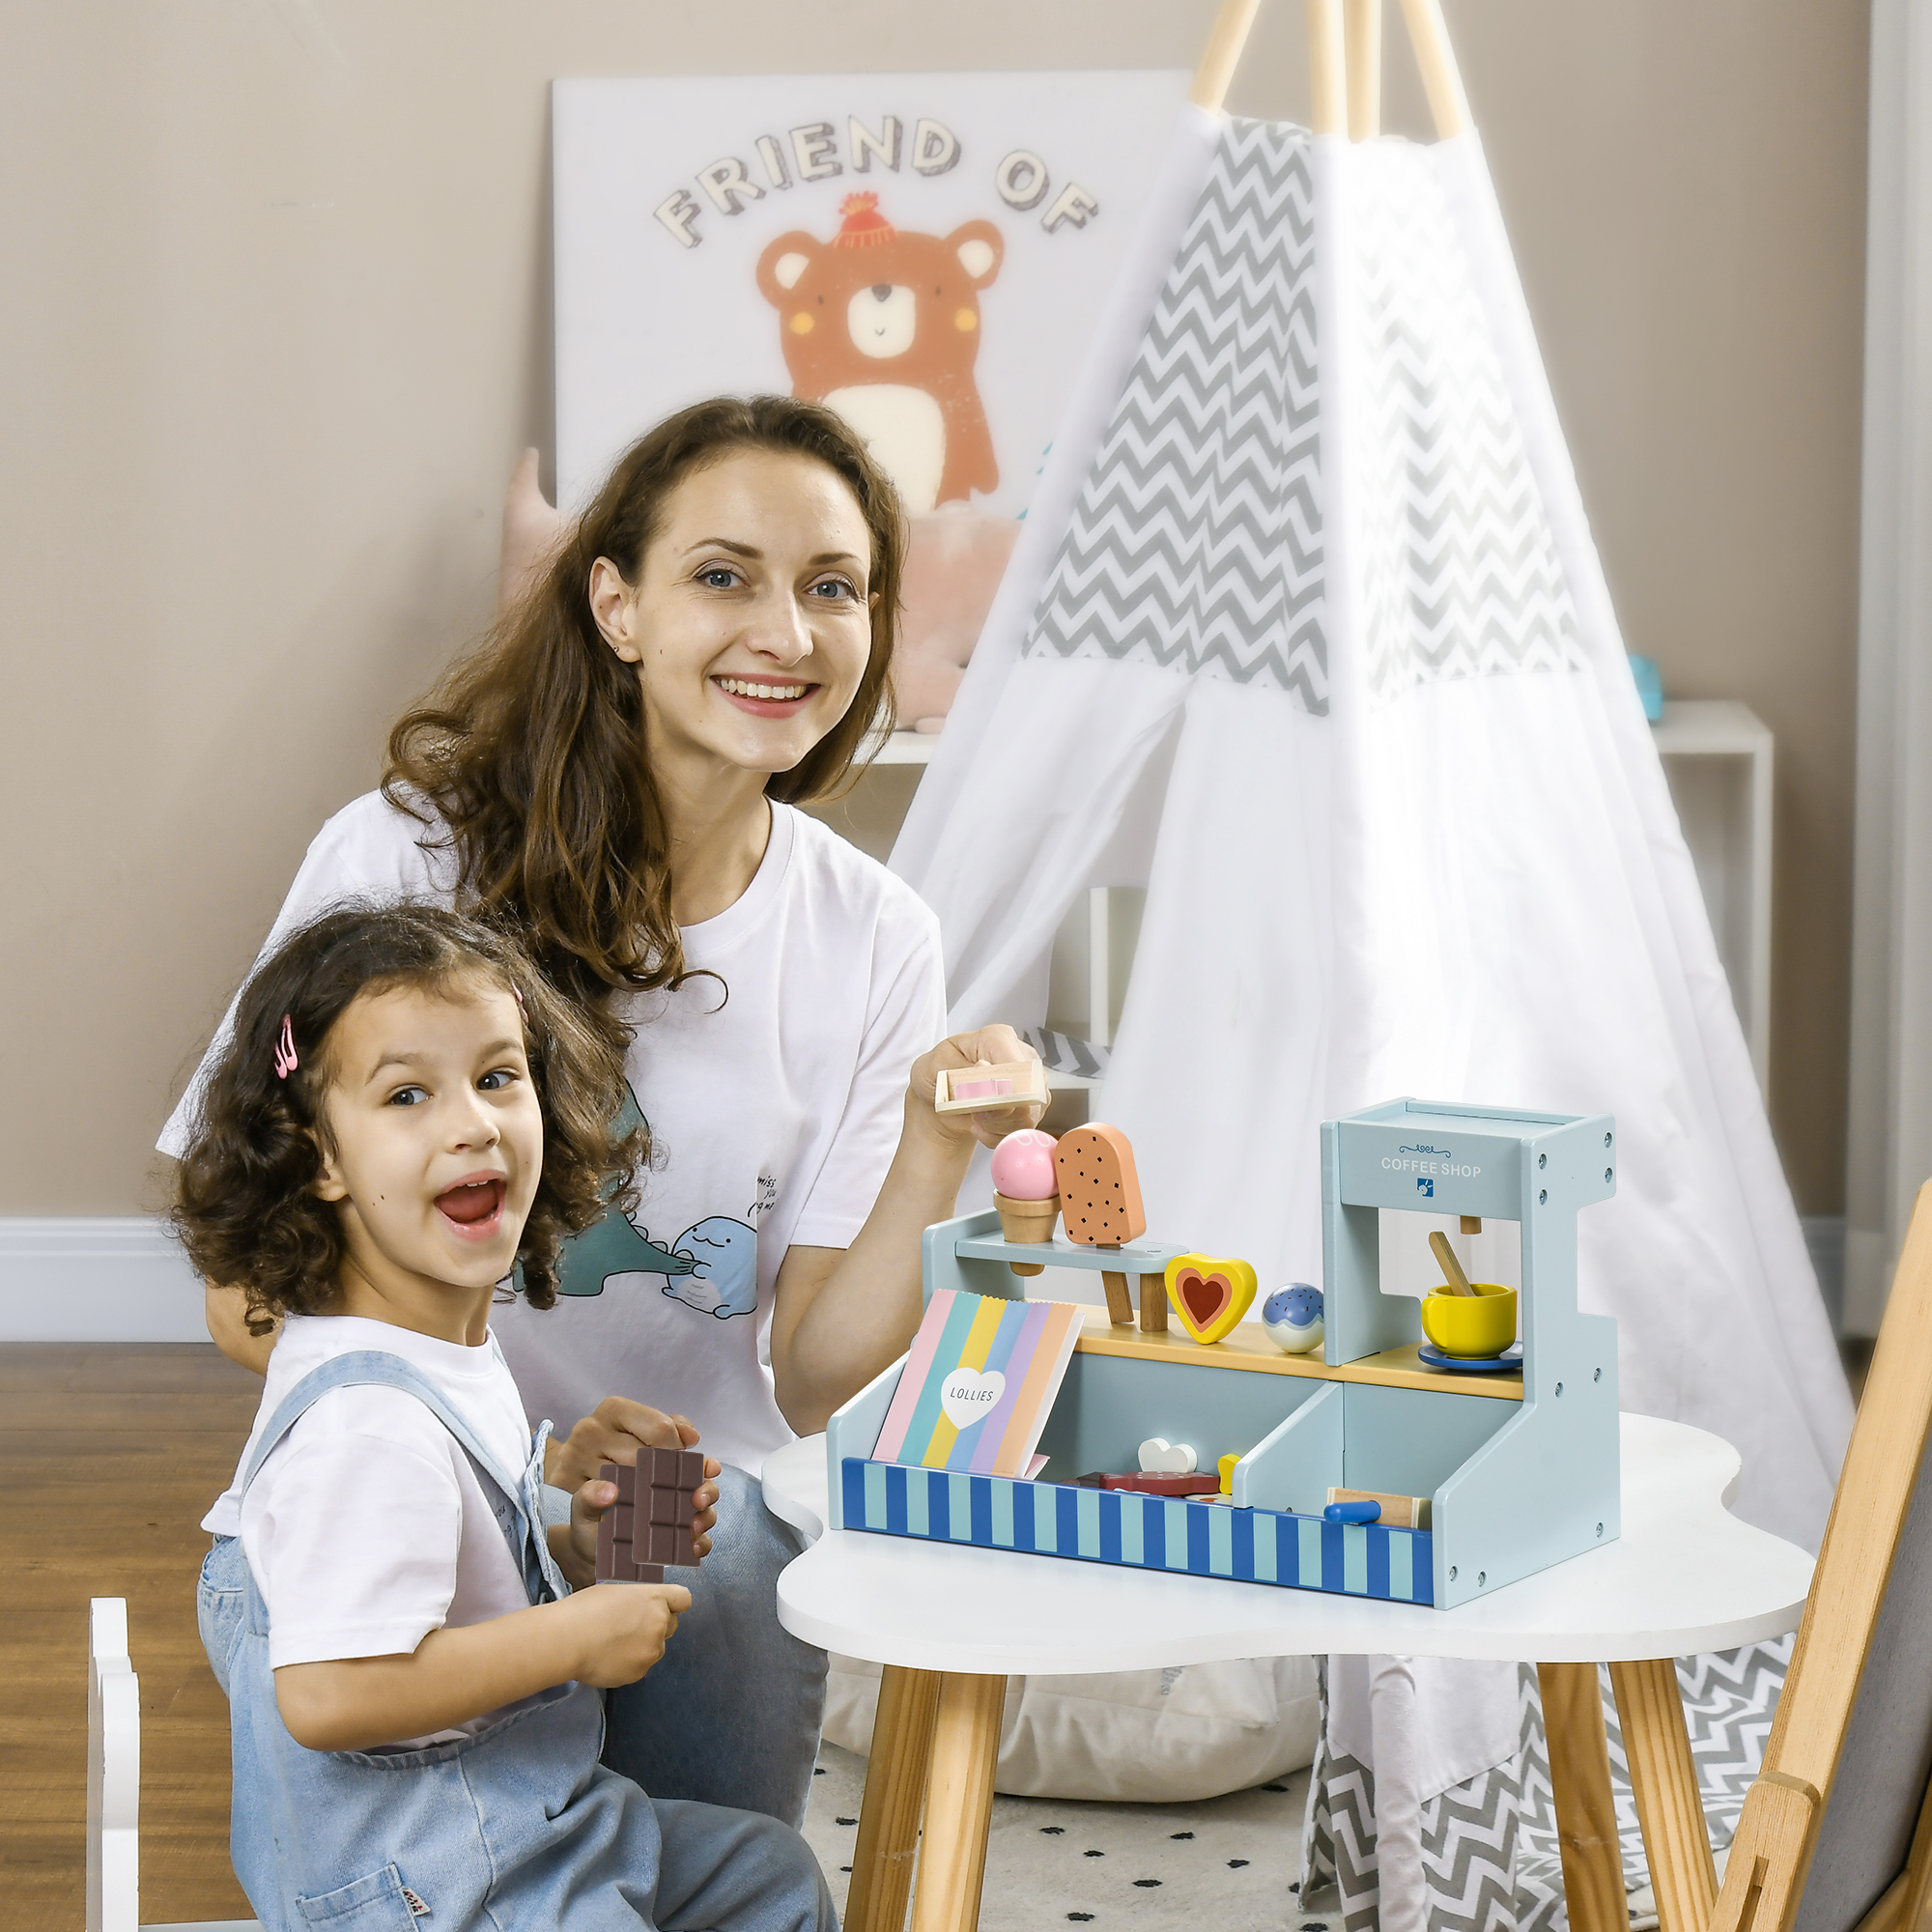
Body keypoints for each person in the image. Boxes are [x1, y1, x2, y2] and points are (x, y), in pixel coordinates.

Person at [161, 395, 1041, 1825]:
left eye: (834, 588)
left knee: (724, 1849)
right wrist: (519, 1469)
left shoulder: (876, 933)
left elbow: (812, 1380)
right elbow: (243, 1291)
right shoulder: (401, 854)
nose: (788, 631)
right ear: (615, 607)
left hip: (689, 1539)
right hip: (424, 1505)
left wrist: (935, 1152)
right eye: (723, 576)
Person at [173, 901, 836, 1932]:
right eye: (406, 1093)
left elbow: (450, 1571)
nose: (471, 1120)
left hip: (535, 1823)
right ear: (318, 1161)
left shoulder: (438, 1348)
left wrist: (577, 1541)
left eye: (496, 1076)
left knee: (764, 1869)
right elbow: (331, 1694)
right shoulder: (367, 1424)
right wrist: (569, 1635)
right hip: (436, 1882)